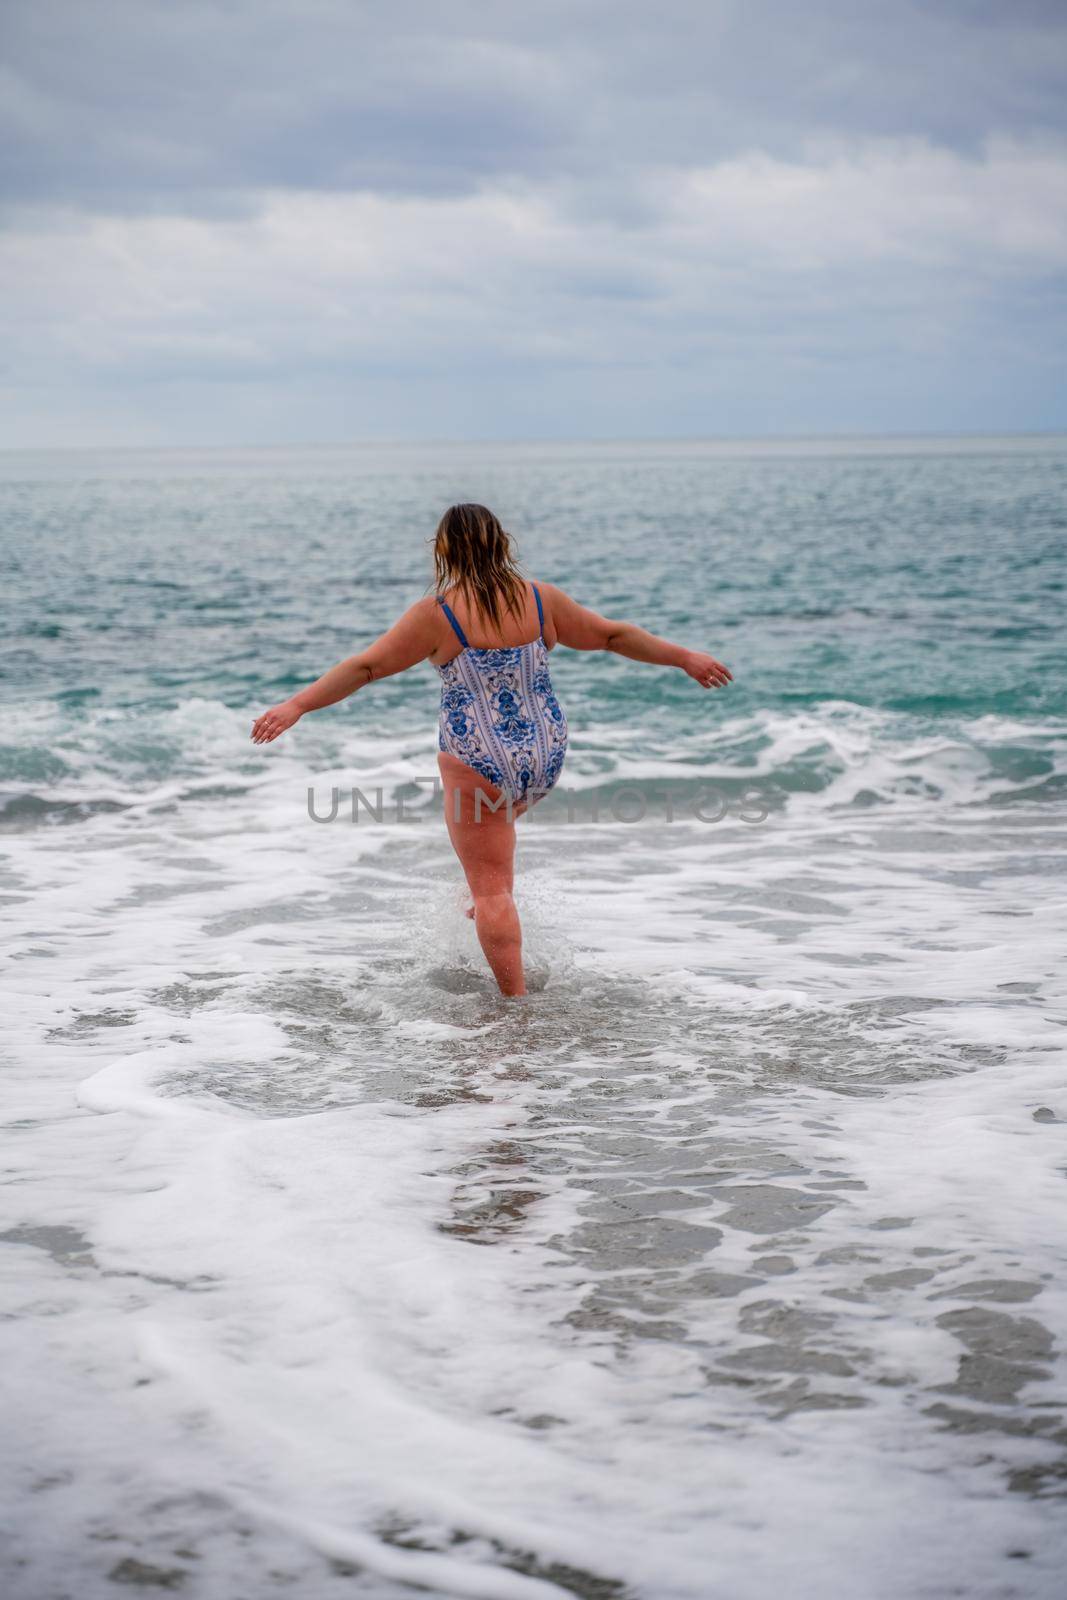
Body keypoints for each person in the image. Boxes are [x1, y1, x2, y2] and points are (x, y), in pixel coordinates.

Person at [251, 503, 732, 997]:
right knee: (490, 857)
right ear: (502, 544)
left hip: (475, 753)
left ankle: (514, 1005)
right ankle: (480, 896)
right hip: (544, 751)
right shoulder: (541, 600)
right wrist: (684, 657)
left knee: (492, 886)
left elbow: (366, 668)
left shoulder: (436, 615)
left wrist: (297, 706)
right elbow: (612, 635)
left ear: (442, 551)